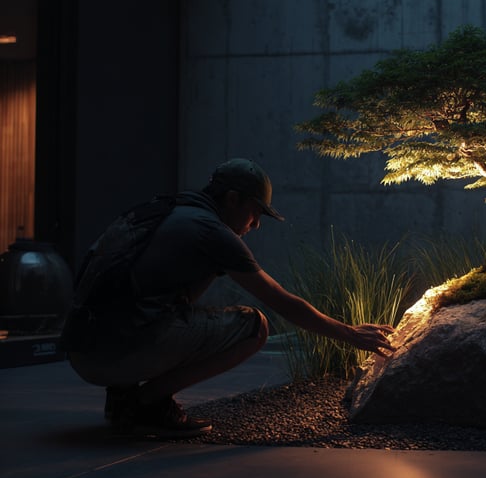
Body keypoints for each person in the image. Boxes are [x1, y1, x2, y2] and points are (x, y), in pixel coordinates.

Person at [62, 158, 395, 438]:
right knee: (254, 326)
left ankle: (124, 394)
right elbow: (281, 301)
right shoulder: (211, 232)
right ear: (233, 199)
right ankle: (144, 403)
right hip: (115, 352)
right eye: (256, 212)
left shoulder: (163, 210)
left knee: (167, 303)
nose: (256, 225)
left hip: (80, 350)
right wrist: (350, 334)